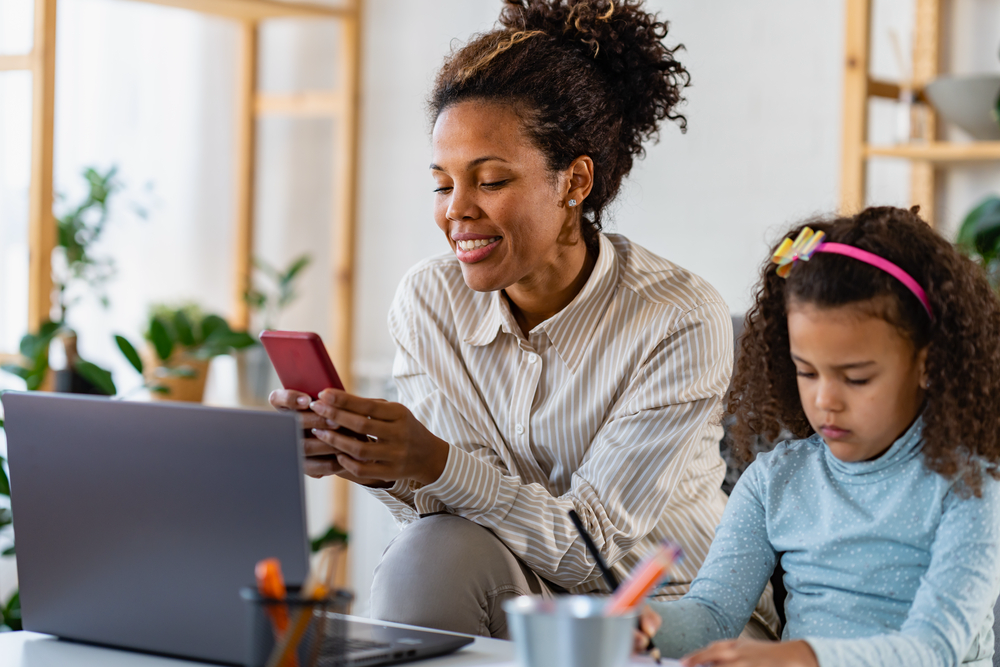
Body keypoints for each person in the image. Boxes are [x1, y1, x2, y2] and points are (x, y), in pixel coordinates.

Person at [271, 0, 776, 639]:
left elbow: (588, 551)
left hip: (675, 613)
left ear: (575, 182)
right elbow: (451, 508)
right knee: (432, 554)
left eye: (489, 180)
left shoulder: (676, 317)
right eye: (441, 183)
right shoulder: (430, 301)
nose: (456, 210)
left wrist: (435, 461)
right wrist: (368, 458)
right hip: (529, 594)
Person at [638, 205, 1000, 667]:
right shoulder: (775, 481)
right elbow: (711, 617)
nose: (826, 399)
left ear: (927, 363)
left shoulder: (968, 486)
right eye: (806, 372)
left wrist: (802, 656)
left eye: (857, 378)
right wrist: (643, 626)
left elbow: (934, 648)